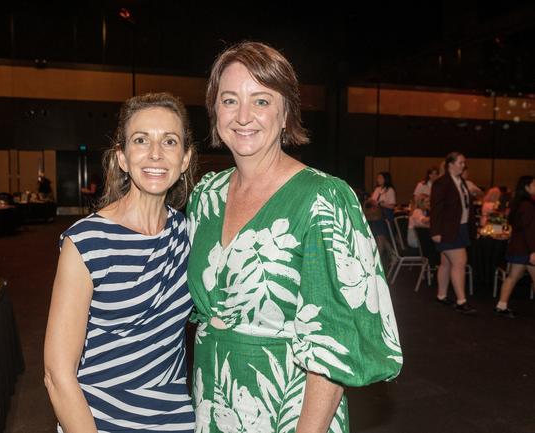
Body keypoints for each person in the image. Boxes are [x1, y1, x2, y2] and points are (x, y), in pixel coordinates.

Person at [186, 41, 402, 433]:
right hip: (211, 405)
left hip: (288, 412)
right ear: (214, 110)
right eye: (230, 100)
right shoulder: (206, 196)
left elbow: (334, 339)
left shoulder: (323, 199)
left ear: (286, 112)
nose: (244, 116)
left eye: (262, 101)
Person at [44, 93, 196, 433]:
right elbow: (57, 374)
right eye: (141, 140)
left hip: (174, 419)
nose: (155, 154)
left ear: (185, 159)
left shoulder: (188, 234)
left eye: (169, 141)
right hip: (99, 420)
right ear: (123, 158)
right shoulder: (86, 242)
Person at [430, 152, 476, 314]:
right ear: (451, 164)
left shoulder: (460, 181)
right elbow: (436, 208)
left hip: (460, 228)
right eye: (461, 163)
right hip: (447, 229)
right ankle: (461, 301)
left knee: (446, 263)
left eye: (464, 163)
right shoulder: (441, 183)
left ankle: (441, 296)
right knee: (460, 262)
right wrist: (435, 231)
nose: (463, 165)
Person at [494, 175, 535, 318]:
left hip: (519, 247)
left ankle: (501, 305)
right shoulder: (528, 205)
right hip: (526, 248)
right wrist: (533, 250)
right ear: (527, 187)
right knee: (513, 277)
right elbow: (530, 230)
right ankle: (501, 305)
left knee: (512, 277)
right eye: (534, 185)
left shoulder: (517, 203)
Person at [367, 171, 397, 263]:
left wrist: (380, 203)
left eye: (381, 178)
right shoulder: (377, 189)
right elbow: (372, 201)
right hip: (375, 216)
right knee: (380, 237)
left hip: (384, 215)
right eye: (378, 178)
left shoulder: (390, 190)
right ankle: (393, 254)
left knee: (381, 237)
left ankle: (377, 259)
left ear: (386, 179)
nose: (378, 179)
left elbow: (392, 206)